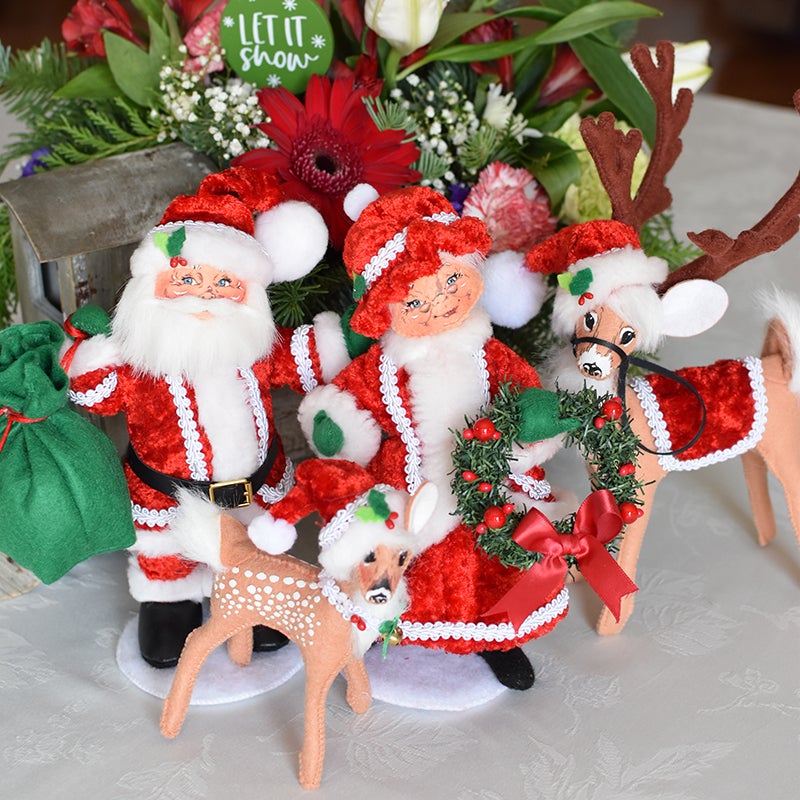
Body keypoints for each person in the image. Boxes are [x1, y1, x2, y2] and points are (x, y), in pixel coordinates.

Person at [65, 167, 350, 667]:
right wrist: (89, 357)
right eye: (187, 279)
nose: (205, 295)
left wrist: (347, 337)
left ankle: (255, 594)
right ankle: (169, 604)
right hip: (168, 497)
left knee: (255, 546)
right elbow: (97, 396)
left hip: (253, 491)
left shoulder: (255, 350)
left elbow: (306, 357)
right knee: (166, 557)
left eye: (224, 283)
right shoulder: (135, 357)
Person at [297, 186, 569, 690]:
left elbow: (526, 396)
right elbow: (349, 403)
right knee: (410, 561)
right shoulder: (383, 367)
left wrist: (531, 429)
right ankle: (392, 629)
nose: (441, 302)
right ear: (387, 309)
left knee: (489, 562)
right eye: (416, 299)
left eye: (452, 280)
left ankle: (495, 636)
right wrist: (335, 426)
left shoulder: (491, 355)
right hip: (412, 481)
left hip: (487, 480)